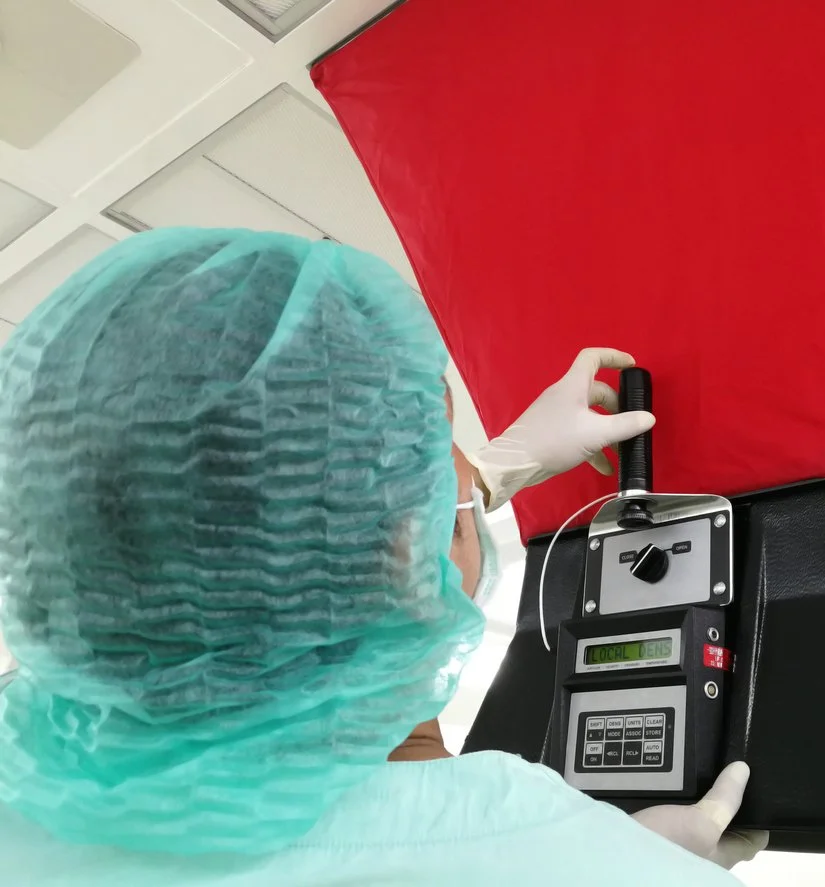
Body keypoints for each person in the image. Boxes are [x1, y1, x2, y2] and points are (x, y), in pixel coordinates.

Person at [0, 229, 755, 886]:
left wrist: (491, 471)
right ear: (404, 559)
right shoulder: (549, 855)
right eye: (434, 450)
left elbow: (213, 524)